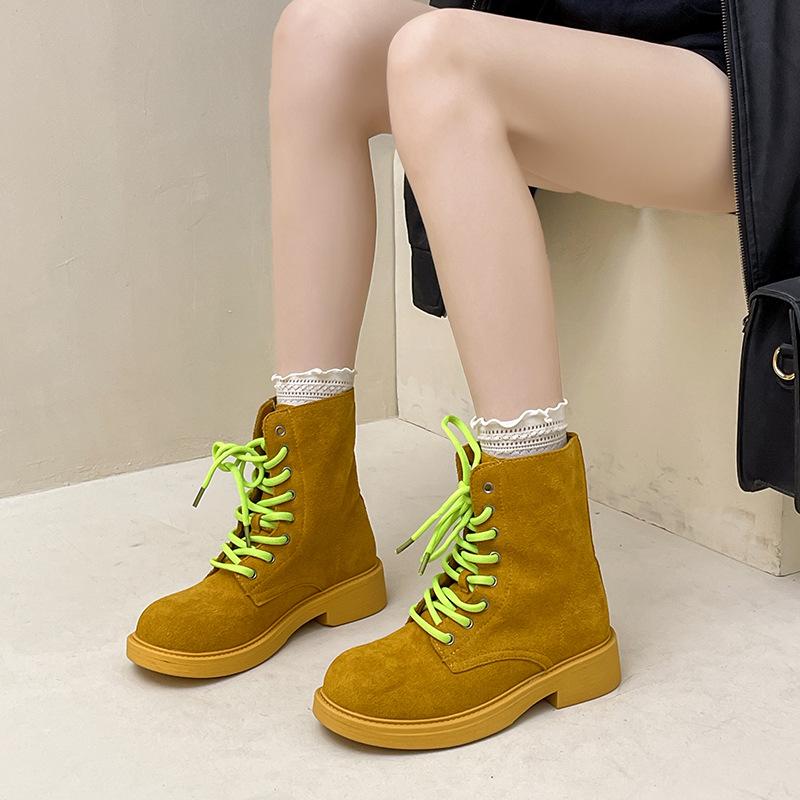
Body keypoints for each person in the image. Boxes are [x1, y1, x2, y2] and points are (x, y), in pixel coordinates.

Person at [126, 0, 733, 749]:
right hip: (567, 41)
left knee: (438, 54)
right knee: (318, 35)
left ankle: (542, 581)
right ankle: (314, 523)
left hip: (732, 74)